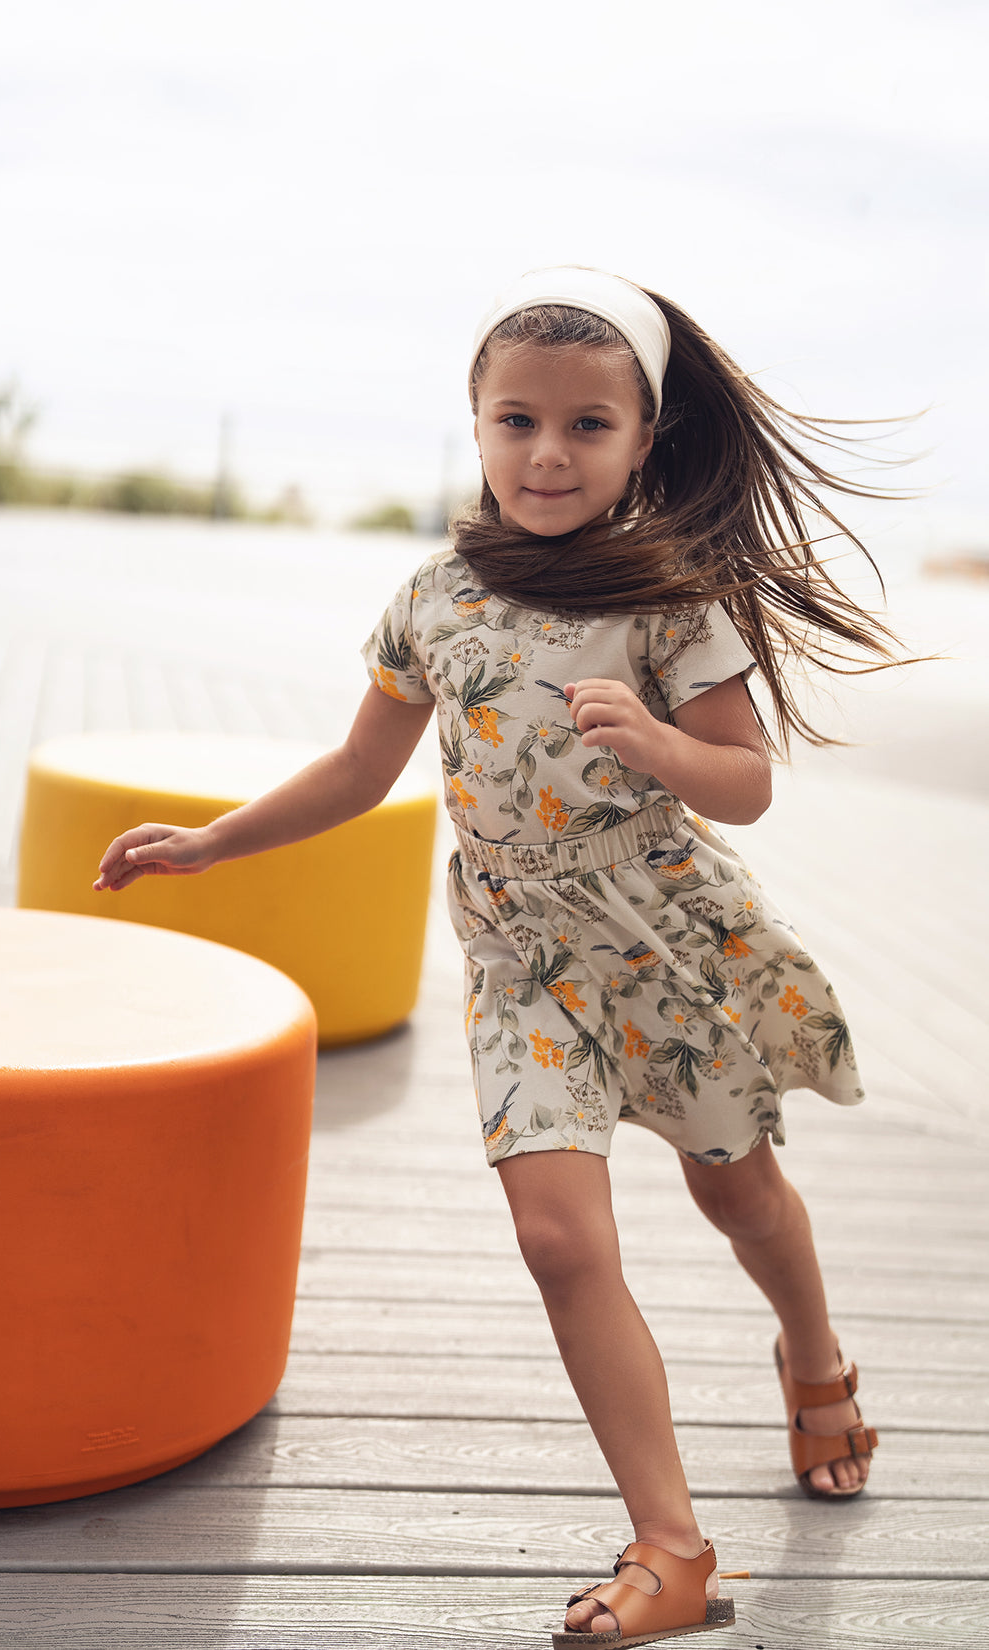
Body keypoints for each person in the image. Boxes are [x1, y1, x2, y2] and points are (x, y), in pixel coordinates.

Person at [93, 266, 894, 1649]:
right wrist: (216, 841)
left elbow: (747, 782)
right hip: (519, 955)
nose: (548, 451)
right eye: (517, 417)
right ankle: (671, 1545)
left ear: (644, 441)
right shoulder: (435, 597)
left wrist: (659, 748)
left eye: (589, 425)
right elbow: (360, 768)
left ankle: (813, 1354)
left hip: (658, 941)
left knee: (742, 1197)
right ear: (473, 425)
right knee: (554, 1235)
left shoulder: (672, 598)